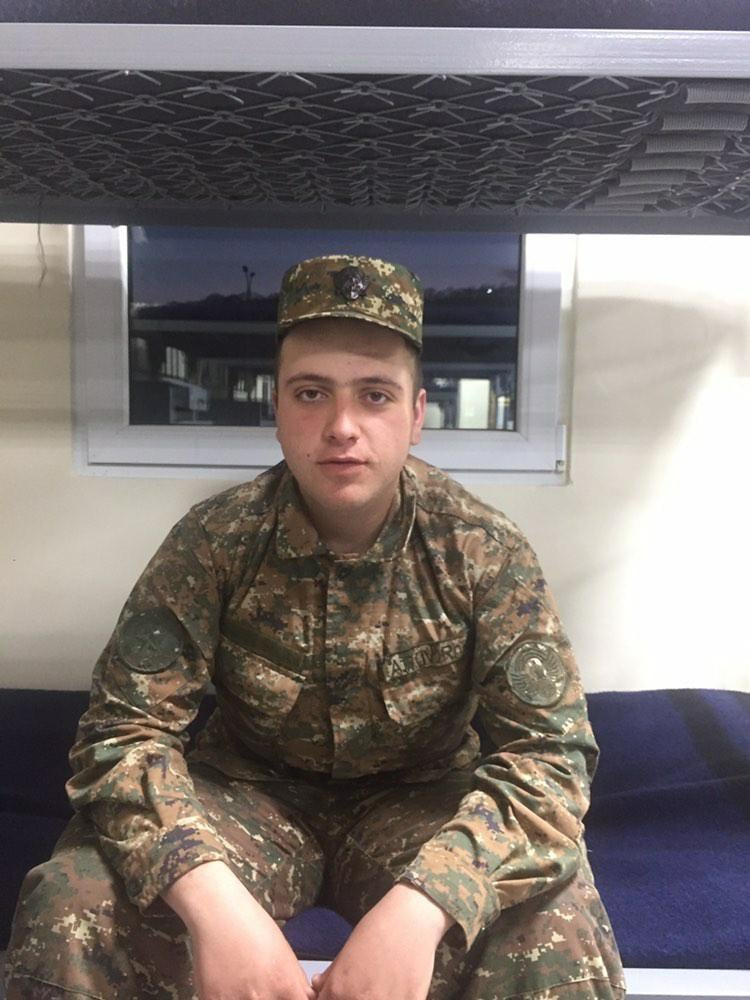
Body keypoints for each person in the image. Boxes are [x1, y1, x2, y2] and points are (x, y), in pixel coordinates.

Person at [5, 255, 625, 1000]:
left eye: (375, 395)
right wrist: (207, 895)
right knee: (72, 900)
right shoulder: (216, 541)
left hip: (423, 805)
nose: (342, 427)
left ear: (417, 415)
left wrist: (430, 902)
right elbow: (121, 733)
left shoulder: (482, 551)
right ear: (277, 409)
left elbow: (550, 757)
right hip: (249, 798)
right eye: (311, 394)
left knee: (558, 920)